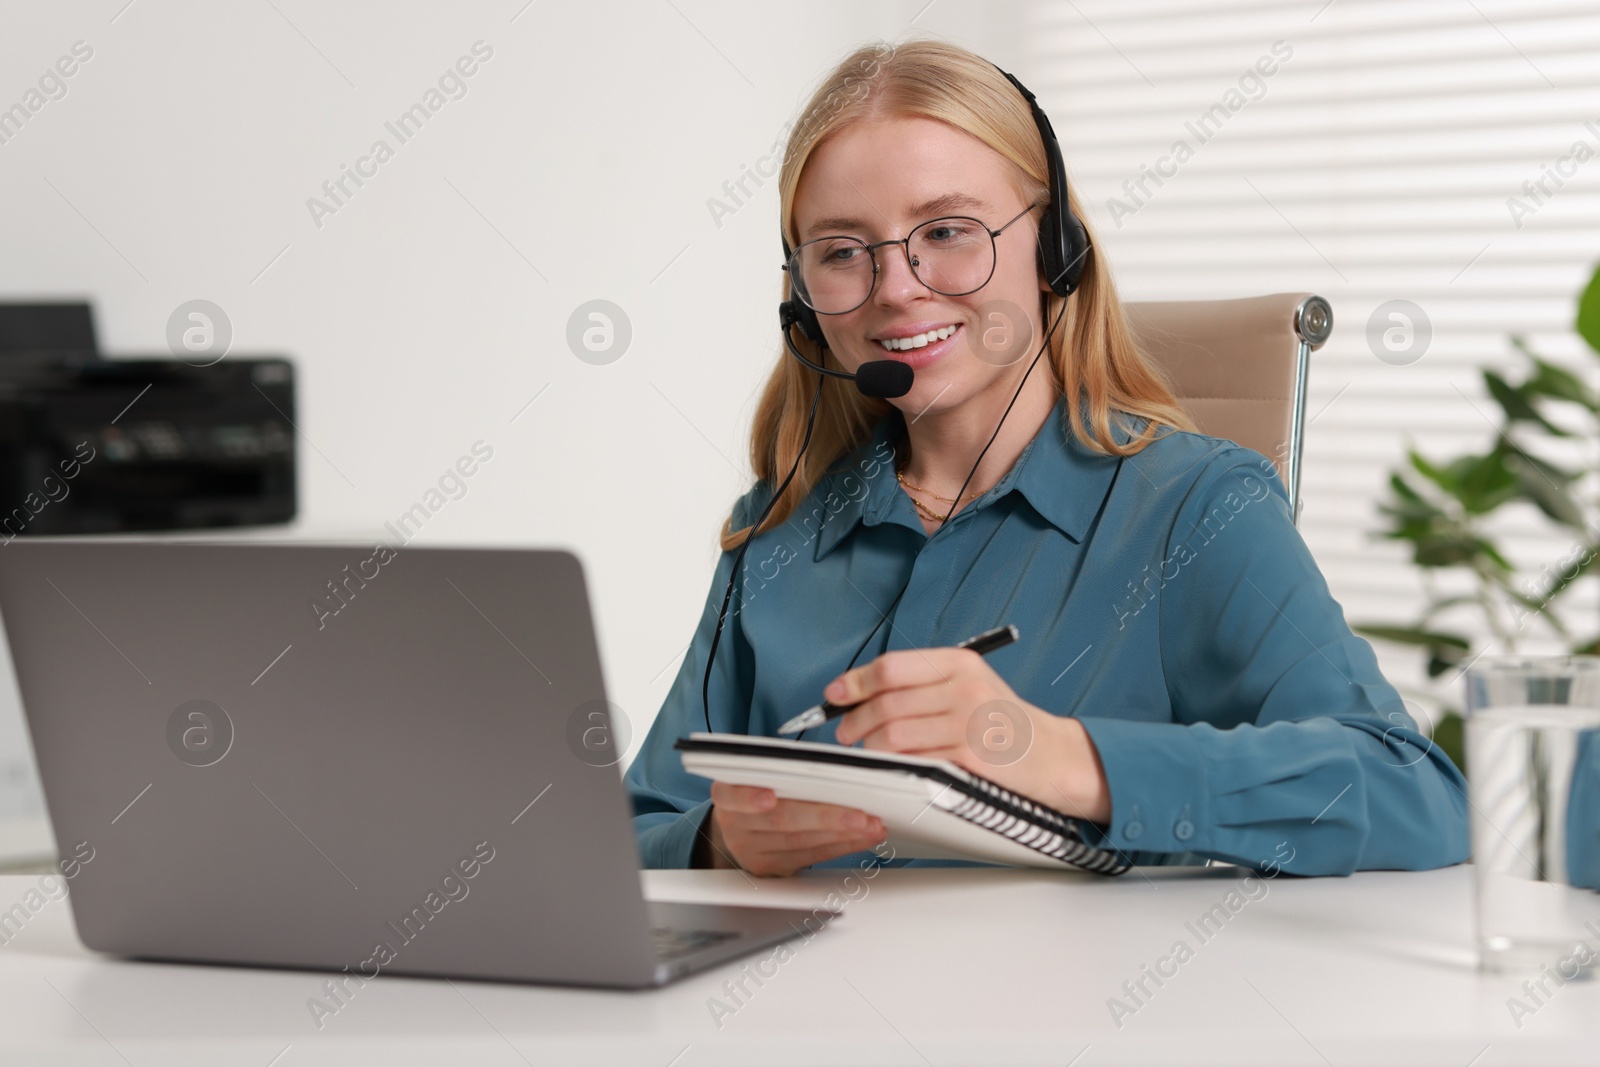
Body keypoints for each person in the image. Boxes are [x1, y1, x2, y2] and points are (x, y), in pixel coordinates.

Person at [624, 38, 1469, 878]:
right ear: (804, 299)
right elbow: (628, 832)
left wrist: (1067, 761)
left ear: (1055, 247)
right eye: (843, 251)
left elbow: (1413, 795)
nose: (895, 287)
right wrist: (719, 841)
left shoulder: (1197, 510)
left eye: (946, 230)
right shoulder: (777, 534)